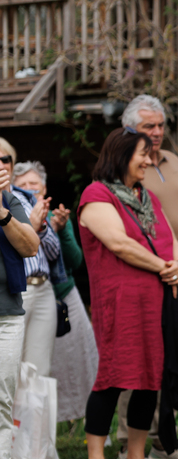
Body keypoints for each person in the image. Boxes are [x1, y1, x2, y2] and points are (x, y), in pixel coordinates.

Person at [77, 127, 178, 459]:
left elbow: (171, 237)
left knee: (149, 378)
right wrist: (165, 267)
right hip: (120, 301)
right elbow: (119, 243)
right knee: (112, 376)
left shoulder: (147, 197)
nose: (148, 161)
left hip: (156, 300)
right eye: (143, 154)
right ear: (122, 155)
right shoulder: (97, 194)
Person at [116, 96, 178, 459]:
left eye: (160, 125)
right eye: (148, 126)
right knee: (142, 359)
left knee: (175, 359)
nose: (156, 132)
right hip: (152, 273)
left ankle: (164, 440)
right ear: (129, 129)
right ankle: (129, 444)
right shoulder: (125, 163)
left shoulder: (171, 160)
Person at [12, 161, 97, 423]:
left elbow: (69, 258)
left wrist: (55, 229)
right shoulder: (10, 214)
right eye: (23, 185)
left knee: (44, 369)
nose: (29, 189)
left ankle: (36, 438)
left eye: (34, 184)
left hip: (50, 292)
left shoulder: (53, 216)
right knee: (13, 366)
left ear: (44, 188)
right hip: (19, 293)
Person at [1, 153, 66, 459]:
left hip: (40, 290)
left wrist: (45, 227)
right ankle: (13, 454)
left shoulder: (23, 202)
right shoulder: (11, 199)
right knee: (9, 380)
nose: (2, 164)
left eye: (5, 159)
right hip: (17, 288)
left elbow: (51, 251)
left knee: (36, 374)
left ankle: (34, 452)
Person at [0, 146, 40, 459]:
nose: (0, 166)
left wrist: (1, 213)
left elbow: (31, 246)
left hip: (6, 314)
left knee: (2, 400)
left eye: (5, 160)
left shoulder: (9, 201)